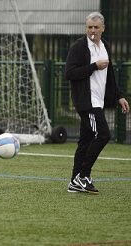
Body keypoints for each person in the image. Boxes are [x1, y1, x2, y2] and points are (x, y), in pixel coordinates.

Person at [65, 12, 129, 194]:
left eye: (96, 27)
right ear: (86, 28)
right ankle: (83, 176)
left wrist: (119, 95)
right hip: (87, 102)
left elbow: (110, 76)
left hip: (99, 101)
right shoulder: (78, 47)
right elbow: (69, 73)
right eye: (89, 27)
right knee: (103, 134)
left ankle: (74, 181)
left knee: (85, 142)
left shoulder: (105, 46)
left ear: (103, 28)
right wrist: (93, 67)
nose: (92, 31)